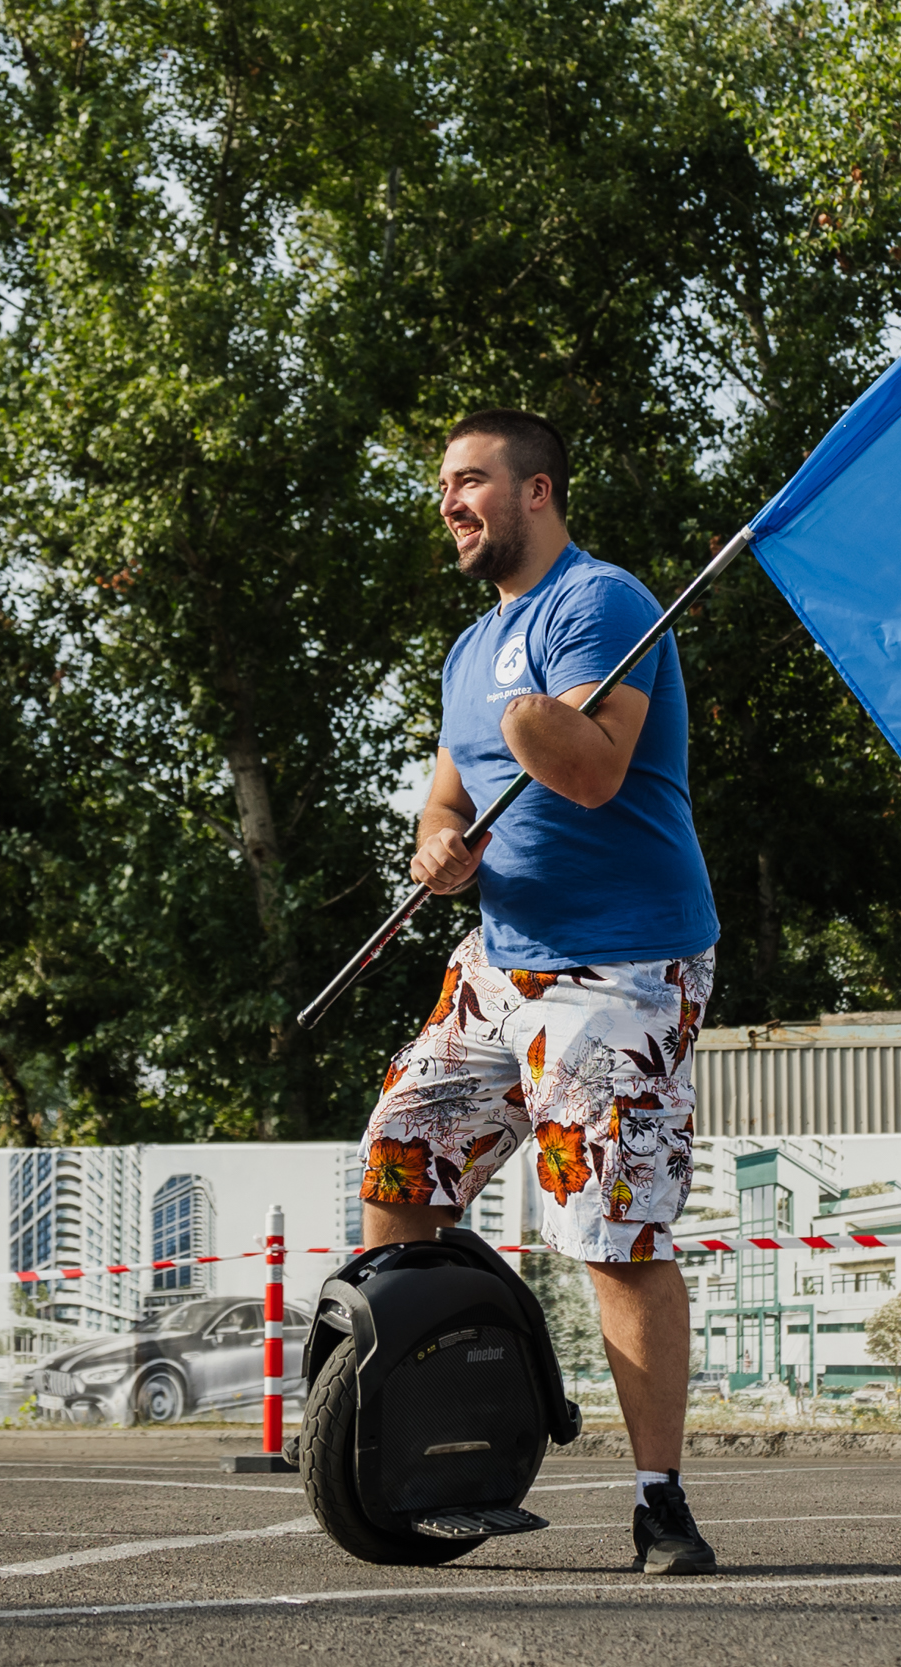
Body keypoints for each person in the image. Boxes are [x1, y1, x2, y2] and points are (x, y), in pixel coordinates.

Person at [356, 409, 722, 1576]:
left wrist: (530, 718)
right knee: (399, 1164)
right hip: (499, 962)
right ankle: (433, 1438)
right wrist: (438, 845)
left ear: (537, 492)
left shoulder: (597, 603)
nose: (451, 503)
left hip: (620, 967)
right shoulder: (471, 648)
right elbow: (444, 799)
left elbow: (595, 770)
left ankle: (659, 1501)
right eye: (444, 487)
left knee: (608, 1229)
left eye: (471, 481)